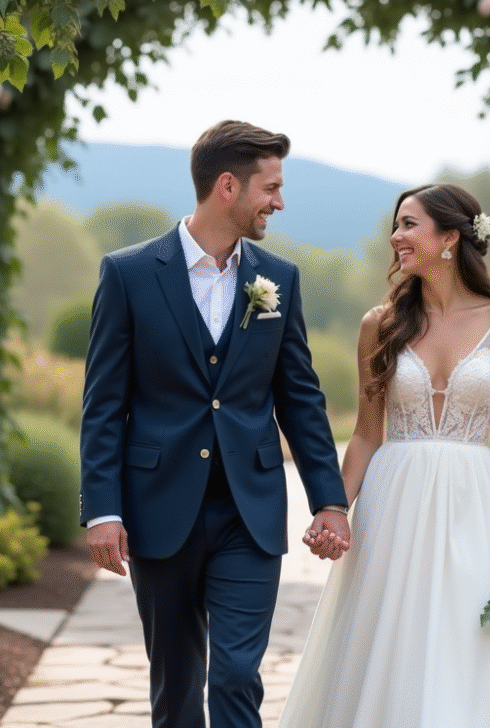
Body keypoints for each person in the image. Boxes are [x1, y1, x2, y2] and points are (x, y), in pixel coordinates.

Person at [79, 119, 351, 728]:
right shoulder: (127, 274)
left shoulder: (278, 278)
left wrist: (328, 501)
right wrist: (102, 510)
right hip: (158, 507)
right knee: (176, 690)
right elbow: (103, 403)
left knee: (234, 675)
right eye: (271, 188)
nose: (279, 203)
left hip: (249, 513)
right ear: (227, 187)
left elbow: (301, 399)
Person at [280, 184, 490, 727]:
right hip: (396, 498)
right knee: (394, 634)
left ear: (451, 238)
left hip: (473, 500)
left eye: (409, 225)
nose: (396, 237)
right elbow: (367, 433)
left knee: (468, 634)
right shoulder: (379, 324)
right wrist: (333, 508)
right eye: (397, 225)